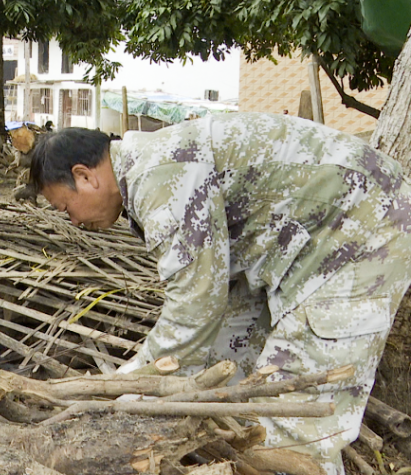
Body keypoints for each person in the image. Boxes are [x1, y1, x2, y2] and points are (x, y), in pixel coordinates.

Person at [28, 113, 411, 474]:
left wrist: (126, 387)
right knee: (222, 380)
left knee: (294, 423)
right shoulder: (147, 170)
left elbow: (195, 307)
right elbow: (210, 304)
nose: (73, 221)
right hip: (310, 245)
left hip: (361, 231)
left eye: (65, 207)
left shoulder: (158, 177)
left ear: (85, 176)